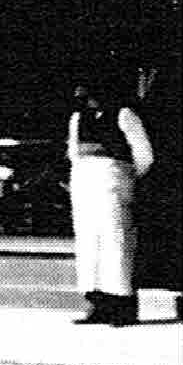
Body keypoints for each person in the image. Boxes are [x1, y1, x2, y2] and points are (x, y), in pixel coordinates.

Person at [67, 75, 154, 327]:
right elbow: (74, 153)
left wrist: (124, 178)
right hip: (85, 184)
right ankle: (98, 303)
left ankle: (122, 306)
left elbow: (144, 155)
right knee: (88, 242)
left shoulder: (124, 115)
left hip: (113, 183)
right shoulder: (77, 118)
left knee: (115, 241)